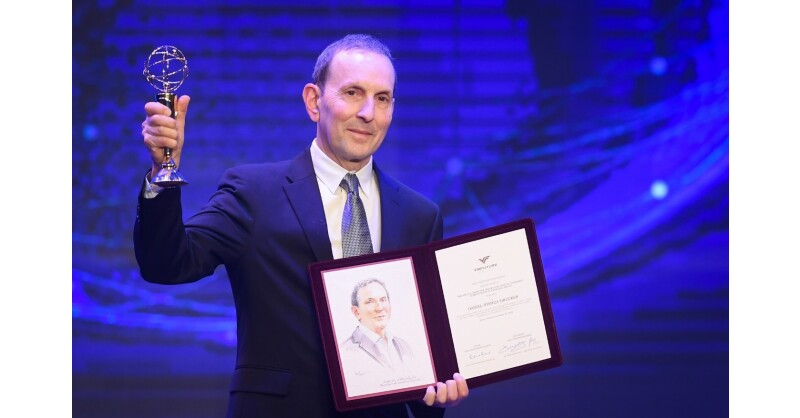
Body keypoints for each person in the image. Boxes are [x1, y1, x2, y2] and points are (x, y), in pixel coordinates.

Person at [135, 34, 469, 417]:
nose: (368, 113)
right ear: (313, 101)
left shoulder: (419, 215)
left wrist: (439, 393)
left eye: (382, 98)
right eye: (353, 93)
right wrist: (162, 173)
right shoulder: (254, 193)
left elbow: (419, 358)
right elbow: (166, 264)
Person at [340, 278, 416, 372]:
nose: (379, 308)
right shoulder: (346, 351)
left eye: (383, 300)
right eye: (370, 302)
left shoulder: (404, 345)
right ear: (356, 312)